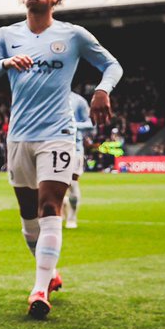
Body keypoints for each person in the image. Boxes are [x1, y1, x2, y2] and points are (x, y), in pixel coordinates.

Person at [0, 0, 122, 319]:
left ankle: (39, 291)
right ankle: (51, 273)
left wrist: (102, 90)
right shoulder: (5, 36)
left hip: (58, 133)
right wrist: (6, 63)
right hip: (19, 136)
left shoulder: (72, 35)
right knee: (28, 218)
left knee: (49, 208)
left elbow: (112, 65)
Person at [64, 89, 94, 228]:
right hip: (50, 146)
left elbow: (90, 123)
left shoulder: (78, 100)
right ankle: (59, 212)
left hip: (74, 148)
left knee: (72, 183)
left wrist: (73, 126)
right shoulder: (47, 95)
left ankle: (72, 217)